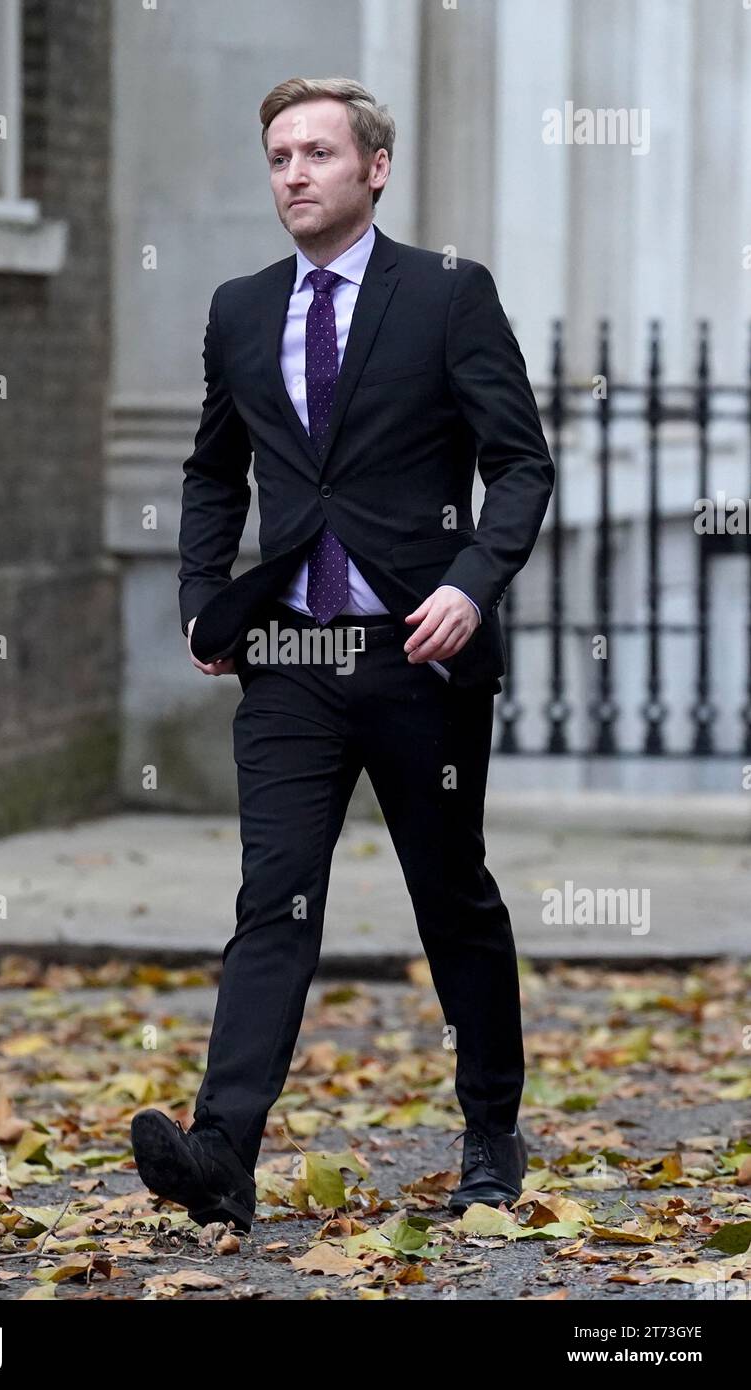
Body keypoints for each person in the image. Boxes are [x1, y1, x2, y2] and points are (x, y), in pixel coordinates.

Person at [131, 76, 554, 1233]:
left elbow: (521, 464)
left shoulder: (448, 296)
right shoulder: (236, 307)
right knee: (274, 898)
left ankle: (489, 1131)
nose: (292, 174)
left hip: (419, 651)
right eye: (277, 156)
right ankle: (222, 1153)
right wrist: (198, 593)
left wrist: (472, 584)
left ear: (374, 167)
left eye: (316, 152)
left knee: (450, 900)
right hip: (286, 655)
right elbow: (214, 470)